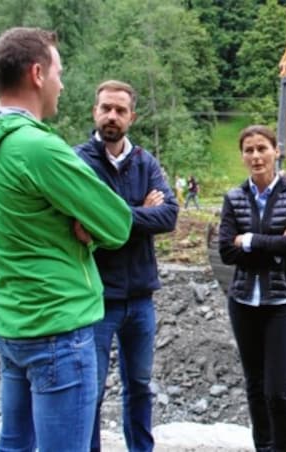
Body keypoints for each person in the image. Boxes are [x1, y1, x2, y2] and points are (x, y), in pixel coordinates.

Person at [0, 27, 132, 451]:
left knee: (14, 444)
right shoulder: (37, 149)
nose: (62, 84)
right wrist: (85, 230)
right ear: (36, 73)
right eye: (58, 72)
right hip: (59, 328)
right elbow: (118, 224)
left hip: (11, 321)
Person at [75, 80, 179, 452]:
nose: (112, 116)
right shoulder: (78, 161)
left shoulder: (145, 162)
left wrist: (109, 220)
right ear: (95, 112)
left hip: (140, 298)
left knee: (140, 386)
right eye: (105, 108)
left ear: (131, 116)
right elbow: (80, 221)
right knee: (92, 389)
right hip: (96, 296)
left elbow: (168, 216)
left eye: (120, 110)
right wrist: (140, 212)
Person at [218, 125, 286, 452]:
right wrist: (275, 243)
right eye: (249, 150)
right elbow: (226, 252)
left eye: (262, 148)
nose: (256, 156)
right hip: (243, 301)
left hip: (282, 302)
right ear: (243, 155)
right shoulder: (234, 197)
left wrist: (251, 241)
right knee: (255, 387)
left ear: (276, 151)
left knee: (278, 390)